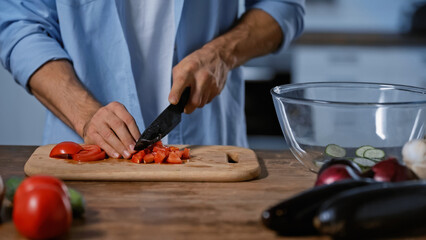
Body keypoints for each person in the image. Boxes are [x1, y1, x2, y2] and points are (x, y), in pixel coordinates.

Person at [0, 0, 305, 159]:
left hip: (212, 156)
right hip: (85, 161)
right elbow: (18, 25)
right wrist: (85, 114)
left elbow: (284, 5)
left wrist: (222, 53)